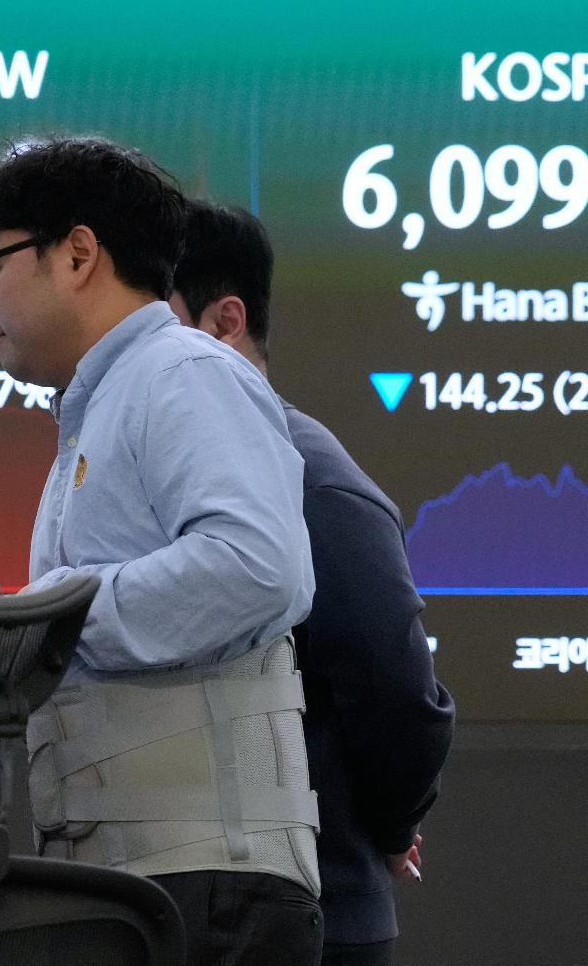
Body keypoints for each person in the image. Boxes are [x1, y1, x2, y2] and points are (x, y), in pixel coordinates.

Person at [0, 136, 323, 964]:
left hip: (206, 888)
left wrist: (48, 617)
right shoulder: (103, 403)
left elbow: (258, 565)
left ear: (78, 253)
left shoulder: (180, 373)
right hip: (135, 886)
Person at [170, 201, 455, 966]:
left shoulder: (308, 478)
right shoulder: (162, 465)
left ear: (224, 321)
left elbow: (397, 688)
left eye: (147, 326)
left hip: (314, 915)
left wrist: (393, 825)